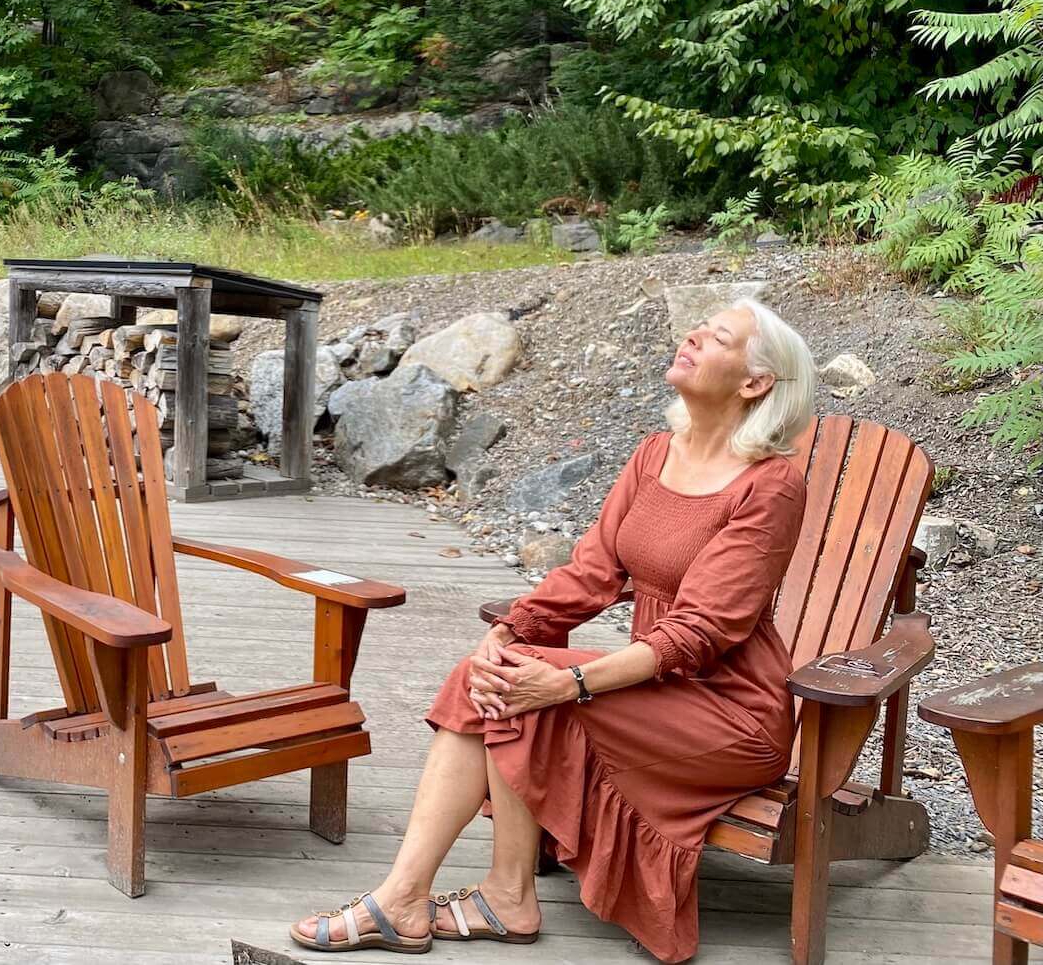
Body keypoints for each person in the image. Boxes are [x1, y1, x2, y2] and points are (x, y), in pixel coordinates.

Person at [290, 298, 817, 961]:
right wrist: (512, 631)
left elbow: (698, 633)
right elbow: (593, 570)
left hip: (731, 711)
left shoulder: (771, 487)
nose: (692, 336)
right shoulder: (657, 453)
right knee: (492, 675)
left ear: (754, 382)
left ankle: (500, 895)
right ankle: (414, 894)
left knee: (536, 693)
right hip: (656, 690)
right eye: (696, 327)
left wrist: (569, 681)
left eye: (715, 337)